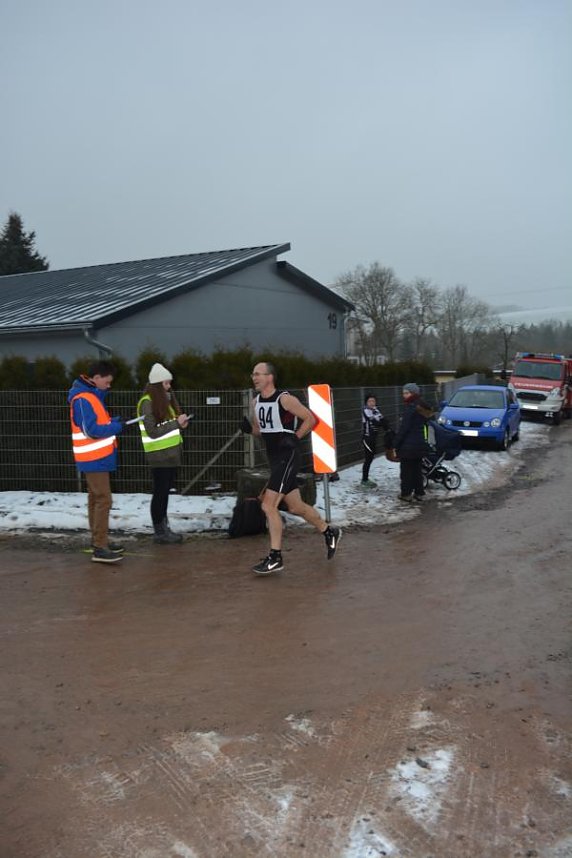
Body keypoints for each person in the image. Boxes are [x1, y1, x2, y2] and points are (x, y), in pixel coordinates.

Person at [245, 362, 342, 576]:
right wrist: (249, 429)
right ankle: (329, 531)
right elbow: (260, 430)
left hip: (288, 457)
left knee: (268, 506)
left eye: (259, 374)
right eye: (253, 374)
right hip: (275, 459)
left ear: (270, 377)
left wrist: (295, 438)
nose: (254, 377)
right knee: (297, 507)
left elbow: (311, 419)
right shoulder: (255, 402)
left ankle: (275, 557)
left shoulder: (285, 399)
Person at [68, 360, 125, 564]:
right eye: (107, 382)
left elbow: (96, 424)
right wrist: (116, 427)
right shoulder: (83, 399)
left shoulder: (90, 397)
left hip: (95, 458)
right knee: (103, 499)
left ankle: (98, 542)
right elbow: (90, 430)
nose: (109, 385)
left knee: (96, 498)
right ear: (97, 378)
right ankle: (100, 547)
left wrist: (115, 422)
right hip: (93, 458)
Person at [136, 363, 191, 544]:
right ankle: (160, 531)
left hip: (169, 455)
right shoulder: (147, 402)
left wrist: (180, 423)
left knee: (163, 493)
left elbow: (166, 426)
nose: (169, 387)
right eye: (166, 383)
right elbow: (152, 431)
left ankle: (163, 528)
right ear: (158, 384)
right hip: (159, 455)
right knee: (160, 493)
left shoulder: (163, 401)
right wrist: (176, 423)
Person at [393, 382, 435, 502]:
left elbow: (404, 428)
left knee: (406, 471)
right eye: (403, 393)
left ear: (413, 393)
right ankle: (419, 493)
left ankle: (406, 494)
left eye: (406, 393)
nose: (404, 396)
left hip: (408, 445)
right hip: (420, 444)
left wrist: (396, 443)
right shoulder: (422, 407)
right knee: (417, 470)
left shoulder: (411, 407)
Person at [360, 393, 391, 487]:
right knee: (368, 458)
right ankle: (364, 480)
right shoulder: (366, 410)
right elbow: (376, 423)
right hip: (367, 438)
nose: (372, 403)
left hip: (374, 438)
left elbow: (385, 422)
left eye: (373, 401)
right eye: (369, 401)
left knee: (370, 458)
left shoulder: (376, 410)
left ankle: (365, 479)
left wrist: (385, 425)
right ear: (366, 402)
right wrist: (381, 422)